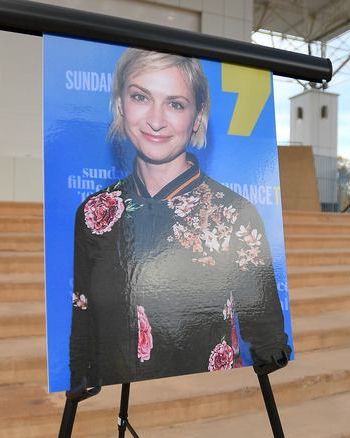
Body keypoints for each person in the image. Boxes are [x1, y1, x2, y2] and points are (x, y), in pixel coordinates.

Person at [69, 48, 291, 391]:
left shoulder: (235, 217)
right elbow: (83, 333)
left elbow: (268, 342)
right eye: (141, 97)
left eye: (175, 104)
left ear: (197, 117)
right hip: (113, 409)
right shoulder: (94, 215)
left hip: (207, 412)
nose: (156, 120)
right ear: (119, 104)